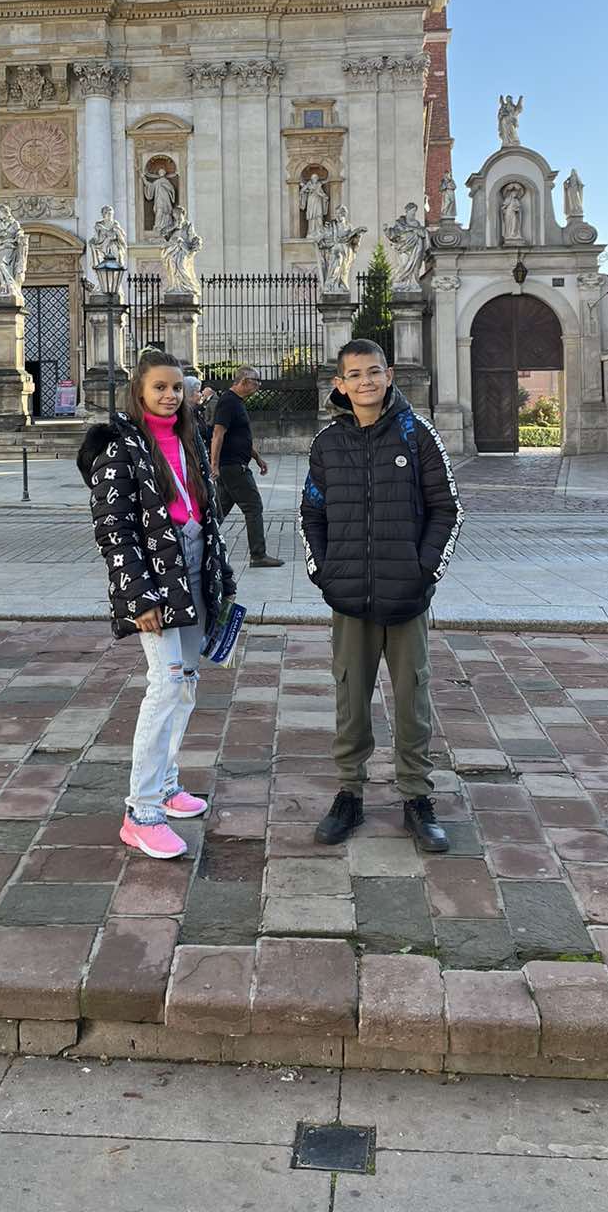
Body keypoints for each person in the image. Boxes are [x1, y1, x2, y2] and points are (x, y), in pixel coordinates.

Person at [301, 338, 463, 853]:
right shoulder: (327, 444)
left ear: (389, 375)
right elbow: (312, 513)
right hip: (349, 598)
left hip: (407, 597)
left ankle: (417, 796)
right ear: (340, 384)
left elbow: (448, 508)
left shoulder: (417, 434)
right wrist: (323, 572)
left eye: (374, 372)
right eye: (355, 375)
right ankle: (349, 793)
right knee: (350, 698)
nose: (365, 381)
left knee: (412, 698)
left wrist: (425, 571)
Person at [77, 349, 236, 860]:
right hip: (154, 580)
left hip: (194, 567)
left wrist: (222, 577)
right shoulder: (119, 447)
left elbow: (204, 513)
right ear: (140, 392)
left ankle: (166, 784)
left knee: (185, 684)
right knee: (164, 686)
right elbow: (114, 530)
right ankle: (140, 812)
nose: (170, 395)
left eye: (177, 387)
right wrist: (139, 597)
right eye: (160, 387)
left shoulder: (189, 437)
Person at [209, 367, 283, 568]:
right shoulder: (228, 402)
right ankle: (258, 555)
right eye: (256, 381)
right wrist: (214, 464)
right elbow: (218, 433)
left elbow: (240, 437)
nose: (259, 385)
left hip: (233, 465)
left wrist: (257, 458)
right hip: (232, 466)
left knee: (219, 512)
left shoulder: (237, 402)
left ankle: (200, 543)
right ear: (243, 381)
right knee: (253, 506)